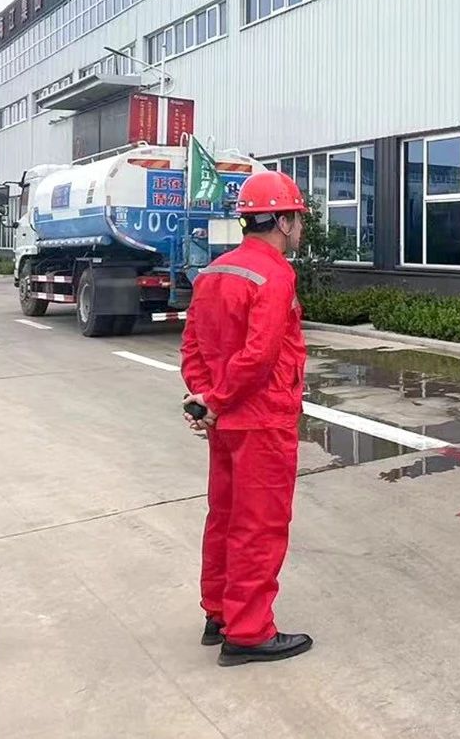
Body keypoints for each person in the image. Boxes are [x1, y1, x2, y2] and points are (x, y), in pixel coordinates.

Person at [180, 170, 313, 667]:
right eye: (297, 218)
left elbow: (193, 345)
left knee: (225, 516)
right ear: (281, 221)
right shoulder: (274, 275)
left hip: (227, 422)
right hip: (262, 420)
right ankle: (249, 631)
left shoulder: (215, 272)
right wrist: (217, 400)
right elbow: (260, 356)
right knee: (259, 524)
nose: (300, 227)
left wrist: (205, 399)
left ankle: (219, 613)